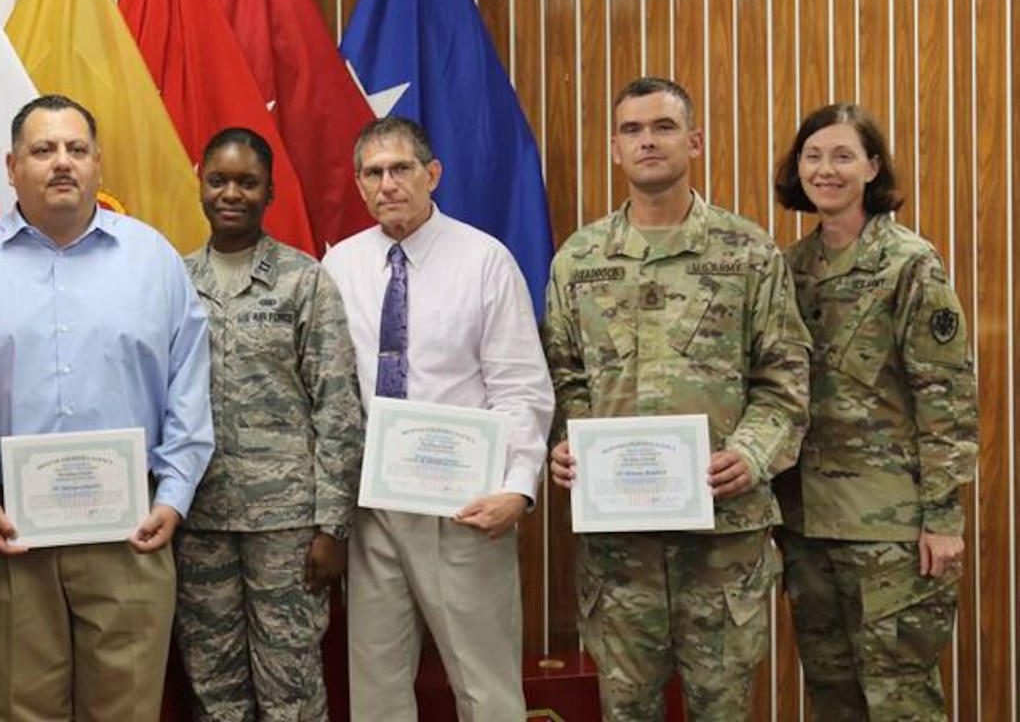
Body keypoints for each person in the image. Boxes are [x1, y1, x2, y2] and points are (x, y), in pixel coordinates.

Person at [544, 76, 810, 722]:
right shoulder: (580, 260)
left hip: (722, 537)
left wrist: (750, 454)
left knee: (722, 710)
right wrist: (570, 446)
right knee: (626, 709)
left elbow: (786, 379)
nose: (647, 141)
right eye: (632, 130)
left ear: (693, 140)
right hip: (620, 543)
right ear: (614, 148)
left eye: (662, 127)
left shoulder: (747, 253)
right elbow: (562, 375)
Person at [0, 93, 212, 722]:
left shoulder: (153, 260)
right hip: (8, 534)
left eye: (76, 149)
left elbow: (189, 390)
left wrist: (172, 497)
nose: (62, 162)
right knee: (17, 711)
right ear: (11, 167)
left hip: (131, 533)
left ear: (98, 163)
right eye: (43, 150)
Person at [321, 116, 554, 721]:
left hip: (465, 507)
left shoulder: (484, 261)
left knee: (485, 686)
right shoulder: (339, 267)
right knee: (376, 687)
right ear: (358, 184)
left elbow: (521, 387)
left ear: (433, 174)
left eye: (400, 169)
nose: (387, 184)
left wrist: (517, 490)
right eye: (372, 173)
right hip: (374, 508)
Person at [771, 103, 976, 720]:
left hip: (891, 531)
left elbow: (947, 399)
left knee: (901, 703)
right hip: (807, 528)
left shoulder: (910, 264)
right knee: (834, 700)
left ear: (872, 167)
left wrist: (943, 517)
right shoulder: (788, 270)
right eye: (813, 156)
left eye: (842, 155)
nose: (825, 169)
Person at [176, 127, 363, 722]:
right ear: (199, 186)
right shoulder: (174, 281)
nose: (232, 193)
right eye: (219, 180)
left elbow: (338, 407)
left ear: (270, 193)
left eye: (248, 182)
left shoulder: (303, 280)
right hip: (200, 519)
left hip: (287, 525)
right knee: (213, 684)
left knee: (292, 684)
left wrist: (333, 526)